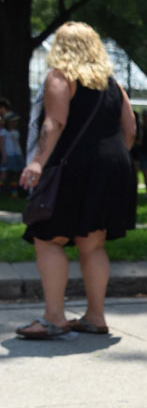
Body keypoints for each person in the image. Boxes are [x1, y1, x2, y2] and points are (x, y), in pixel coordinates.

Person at [16, 22, 136, 339]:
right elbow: (131, 130)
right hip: (115, 167)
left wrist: (38, 163)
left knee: (47, 238)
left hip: (74, 168)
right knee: (93, 244)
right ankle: (95, 317)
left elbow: (55, 121)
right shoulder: (112, 84)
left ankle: (54, 317)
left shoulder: (60, 76)